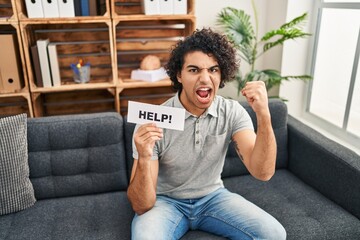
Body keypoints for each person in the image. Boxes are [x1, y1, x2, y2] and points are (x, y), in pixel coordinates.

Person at [127, 28, 287, 240]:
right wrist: (145, 157)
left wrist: (264, 115)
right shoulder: (151, 123)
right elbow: (141, 205)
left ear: (221, 74)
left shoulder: (231, 112)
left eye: (213, 70)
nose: (205, 78)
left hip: (213, 197)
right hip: (165, 201)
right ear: (179, 75)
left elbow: (263, 173)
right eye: (194, 70)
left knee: (274, 234)